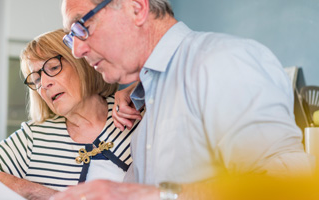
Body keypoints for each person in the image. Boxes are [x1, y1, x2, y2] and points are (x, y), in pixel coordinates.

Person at [55, 0, 313, 199]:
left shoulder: (222, 61)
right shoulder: (150, 94)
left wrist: (155, 195)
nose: (77, 50)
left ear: (137, 8)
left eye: (82, 26)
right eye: (71, 38)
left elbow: (288, 187)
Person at [0, 29, 142, 200]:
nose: (44, 84)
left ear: (81, 62)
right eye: (36, 79)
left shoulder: (130, 109)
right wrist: (33, 191)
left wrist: (139, 90)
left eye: (53, 68)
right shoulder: (34, 137)